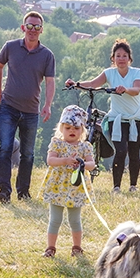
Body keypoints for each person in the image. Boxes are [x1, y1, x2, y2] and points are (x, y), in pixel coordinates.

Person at [66, 38, 140, 193]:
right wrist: (76, 84)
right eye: (118, 56)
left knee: (134, 152)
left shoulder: (136, 72)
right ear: (113, 58)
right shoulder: (109, 73)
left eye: (124, 56)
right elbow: (93, 84)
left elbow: (137, 89)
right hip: (117, 118)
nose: (121, 59)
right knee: (120, 151)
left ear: (129, 58)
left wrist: (125, 89)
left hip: (135, 118)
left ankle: (133, 185)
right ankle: (116, 187)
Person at [0, 12, 56, 203]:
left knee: (27, 153)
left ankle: (23, 191)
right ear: (23, 28)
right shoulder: (11, 47)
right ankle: (4, 191)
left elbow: (50, 82)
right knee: (5, 148)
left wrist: (47, 105)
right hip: (9, 106)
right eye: (29, 26)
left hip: (31, 110)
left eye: (37, 27)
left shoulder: (47, 55)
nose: (33, 30)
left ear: (41, 30)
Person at [42, 105, 95, 258]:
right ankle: (50, 247)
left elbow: (92, 164)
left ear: (82, 130)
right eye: (68, 127)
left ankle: (77, 247)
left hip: (76, 187)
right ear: (61, 128)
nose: (72, 131)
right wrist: (65, 160)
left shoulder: (85, 147)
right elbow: (50, 160)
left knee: (75, 219)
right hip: (57, 186)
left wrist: (83, 164)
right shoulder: (57, 143)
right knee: (55, 219)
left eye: (76, 128)